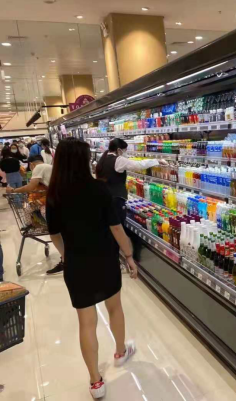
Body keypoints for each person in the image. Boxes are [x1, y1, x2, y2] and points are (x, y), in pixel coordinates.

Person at [46, 138, 137, 399]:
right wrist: (129, 256)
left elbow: (54, 234)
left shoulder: (54, 194)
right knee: (114, 307)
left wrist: (67, 255)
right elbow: (116, 228)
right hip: (105, 259)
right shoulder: (99, 189)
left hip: (77, 264)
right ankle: (120, 352)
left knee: (86, 322)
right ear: (84, 160)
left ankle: (96, 382)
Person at [96, 138, 167, 261]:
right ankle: (124, 255)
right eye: (125, 150)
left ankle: (115, 254)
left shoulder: (103, 159)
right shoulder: (118, 160)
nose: (126, 153)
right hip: (116, 201)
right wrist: (157, 161)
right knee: (118, 227)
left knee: (111, 228)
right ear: (119, 150)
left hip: (105, 198)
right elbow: (138, 165)